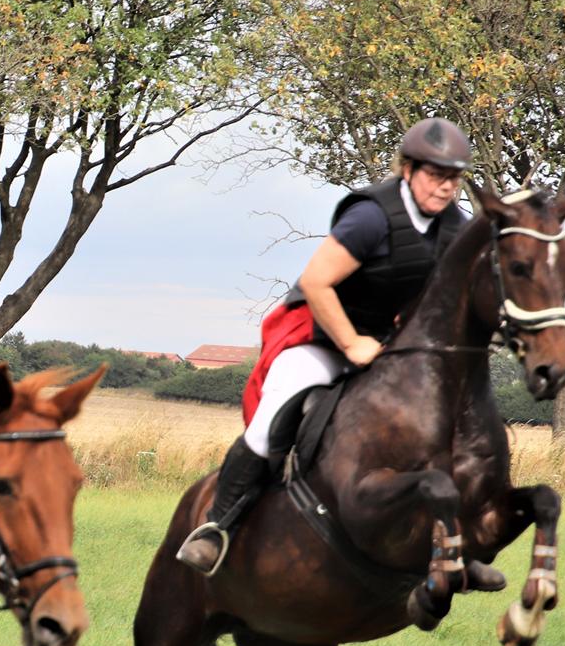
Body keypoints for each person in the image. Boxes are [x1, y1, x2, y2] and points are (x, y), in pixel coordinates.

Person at [177, 117, 472, 576]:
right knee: (274, 413)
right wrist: (352, 343)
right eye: (436, 175)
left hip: (388, 347)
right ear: (408, 169)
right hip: (319, 335)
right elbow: (317, 283)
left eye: (454, 178)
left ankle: (452, 546)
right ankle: (219, 526)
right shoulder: (371, 216)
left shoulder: (457, 228)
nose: (446, 187)